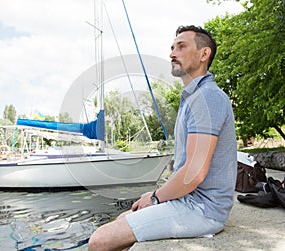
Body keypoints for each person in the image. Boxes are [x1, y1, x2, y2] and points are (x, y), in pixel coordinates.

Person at [88, 25, 237, 251]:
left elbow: (194, 172)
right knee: (121, 220)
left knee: (99, 240)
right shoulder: (194, 97)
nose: (172, 53)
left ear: (204, 54)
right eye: (172, 47)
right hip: (189, 200)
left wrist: (156, 198)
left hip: (202, 209)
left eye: (181, 46)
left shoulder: (208, 97)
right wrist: (154, 196)